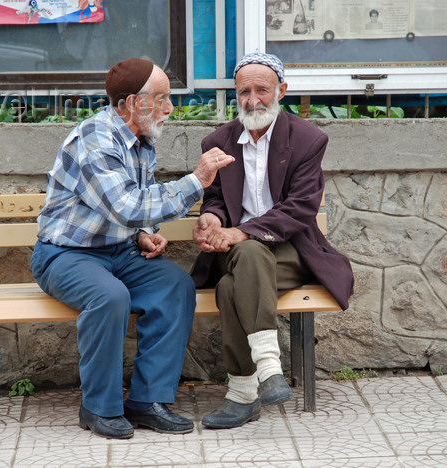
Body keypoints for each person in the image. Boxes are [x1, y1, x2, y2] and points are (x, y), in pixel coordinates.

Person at [31, 57, 233, 439]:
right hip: (65, 254)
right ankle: (99, 407)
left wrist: (144, 231)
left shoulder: (142, 138)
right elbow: (124, 205)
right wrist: (198, 180)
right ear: (127, 104)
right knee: (110, 297)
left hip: (118, 250)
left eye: (169, 98)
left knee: (176, 285)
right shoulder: (96, 139)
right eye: (160, 98)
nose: (170, 108)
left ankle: (147, 400)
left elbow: (132, 207)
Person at [190, 52, 354, 429]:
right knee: (246, 255)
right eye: (243, 91)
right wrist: (211, 220)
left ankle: (243, 393)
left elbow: (299, 209)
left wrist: (240, 232)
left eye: (261, 90)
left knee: (232, 286)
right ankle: (268, 367)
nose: (252, 100)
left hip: (288, 250)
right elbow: (215, 199)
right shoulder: (218, 141)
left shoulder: (308, 139)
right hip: (234, 251)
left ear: (281, 90)